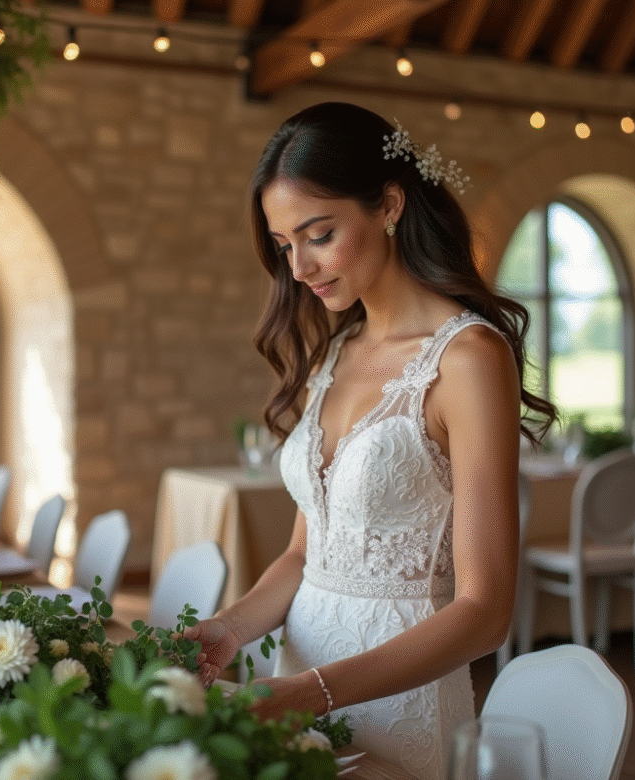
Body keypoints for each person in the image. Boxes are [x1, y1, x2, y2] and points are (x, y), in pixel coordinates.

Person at [183, 102, 557, 779]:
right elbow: (307, 553)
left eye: (318, 234)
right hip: (291, 683)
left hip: (400, 697)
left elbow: (486, 610)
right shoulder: (336, 351)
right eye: (284, 245)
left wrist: (314, 692)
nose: (298, 267)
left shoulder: (468, 358)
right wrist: (230, 629)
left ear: (388, 204)